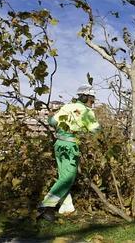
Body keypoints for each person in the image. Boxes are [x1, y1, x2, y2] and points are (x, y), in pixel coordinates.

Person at [37, 84, 101, 221]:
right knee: (68, 178)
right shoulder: (88, 112)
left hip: (59, 144)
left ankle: (67, 207)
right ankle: (46, 206)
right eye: (91, 99)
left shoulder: (67, 106)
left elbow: (52, 122)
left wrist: (51, 116)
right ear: (84, 97)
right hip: (70, 145)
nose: (92, 102)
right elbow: (96, 131)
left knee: (63, 176)